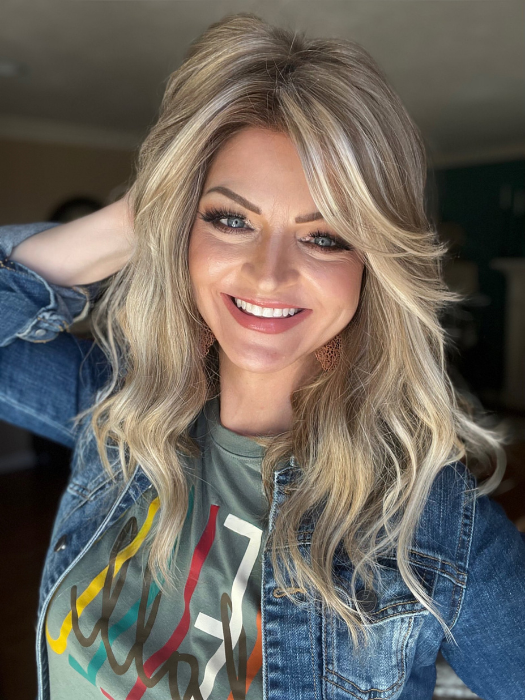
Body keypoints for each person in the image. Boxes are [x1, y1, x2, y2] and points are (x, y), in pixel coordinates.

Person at [1, 13, 524, 700]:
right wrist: (138, 217)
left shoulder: (437, 535)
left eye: (325, 236)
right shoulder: (116, 412)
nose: (268, 275)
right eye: (230, 219)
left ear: (373, 264)